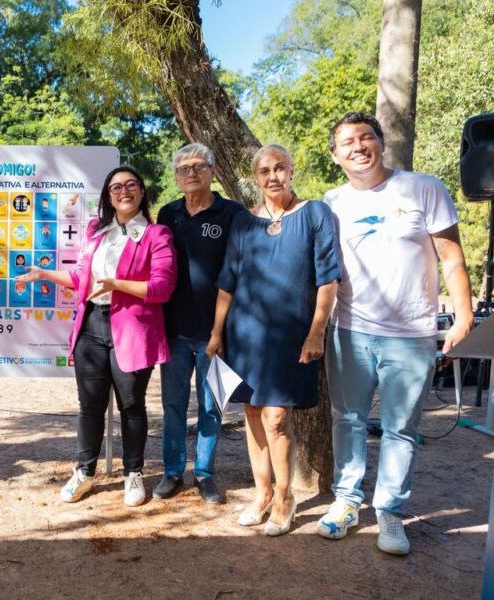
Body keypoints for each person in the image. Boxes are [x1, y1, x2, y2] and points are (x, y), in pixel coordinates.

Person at [317, 112, 473, 555]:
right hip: (349, 331)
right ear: (335, 155)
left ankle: (389, 511)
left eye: (366, 137)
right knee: (347, 420)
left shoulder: (424, 188)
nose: (358, 147)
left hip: (411, 334)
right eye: (347, 142)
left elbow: (452, 258)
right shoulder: (331, 201)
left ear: (381, 143)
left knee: (400, 428)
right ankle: (347, 502)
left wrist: (464, 317)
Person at [17, 166, 176, 507]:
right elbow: (81, 277)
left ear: (142, 191)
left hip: (133, 329)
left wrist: (118, 285)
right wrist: (45, 274)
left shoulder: (156, 234)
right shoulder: (95, 230)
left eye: (131, 185)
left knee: (132, 405)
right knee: (90, 406)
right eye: (116, 187)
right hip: (91, 326)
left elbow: (162, 288)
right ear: (108, 196)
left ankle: (133, 473)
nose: (124, 191)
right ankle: (84, 473)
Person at [207, 145, 340, 536]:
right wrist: (217, 332)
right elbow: (227, 282)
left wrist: (317, 331)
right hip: (245, 333)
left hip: (292, 336)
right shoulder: (244, 222)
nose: (273, 176)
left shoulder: (315, 214)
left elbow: (328, 279)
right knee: (252, 412)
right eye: (264, 171)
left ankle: (285, 497)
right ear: (256, 178)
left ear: (292, 170)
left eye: (280, 168)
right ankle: (262, 493)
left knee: (277, 418)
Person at [154, 143, 245, 504]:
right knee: (173, 407)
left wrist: (221, 331)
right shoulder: (168, 214)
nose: (191, 173)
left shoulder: (232, 214)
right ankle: (172, 472)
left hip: (217, 334)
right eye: (183, 168)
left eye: (199, 166)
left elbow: (239, 271)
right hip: (174, 332)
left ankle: (205, 473)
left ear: (212, 171)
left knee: (211, 407)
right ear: (176, 177)